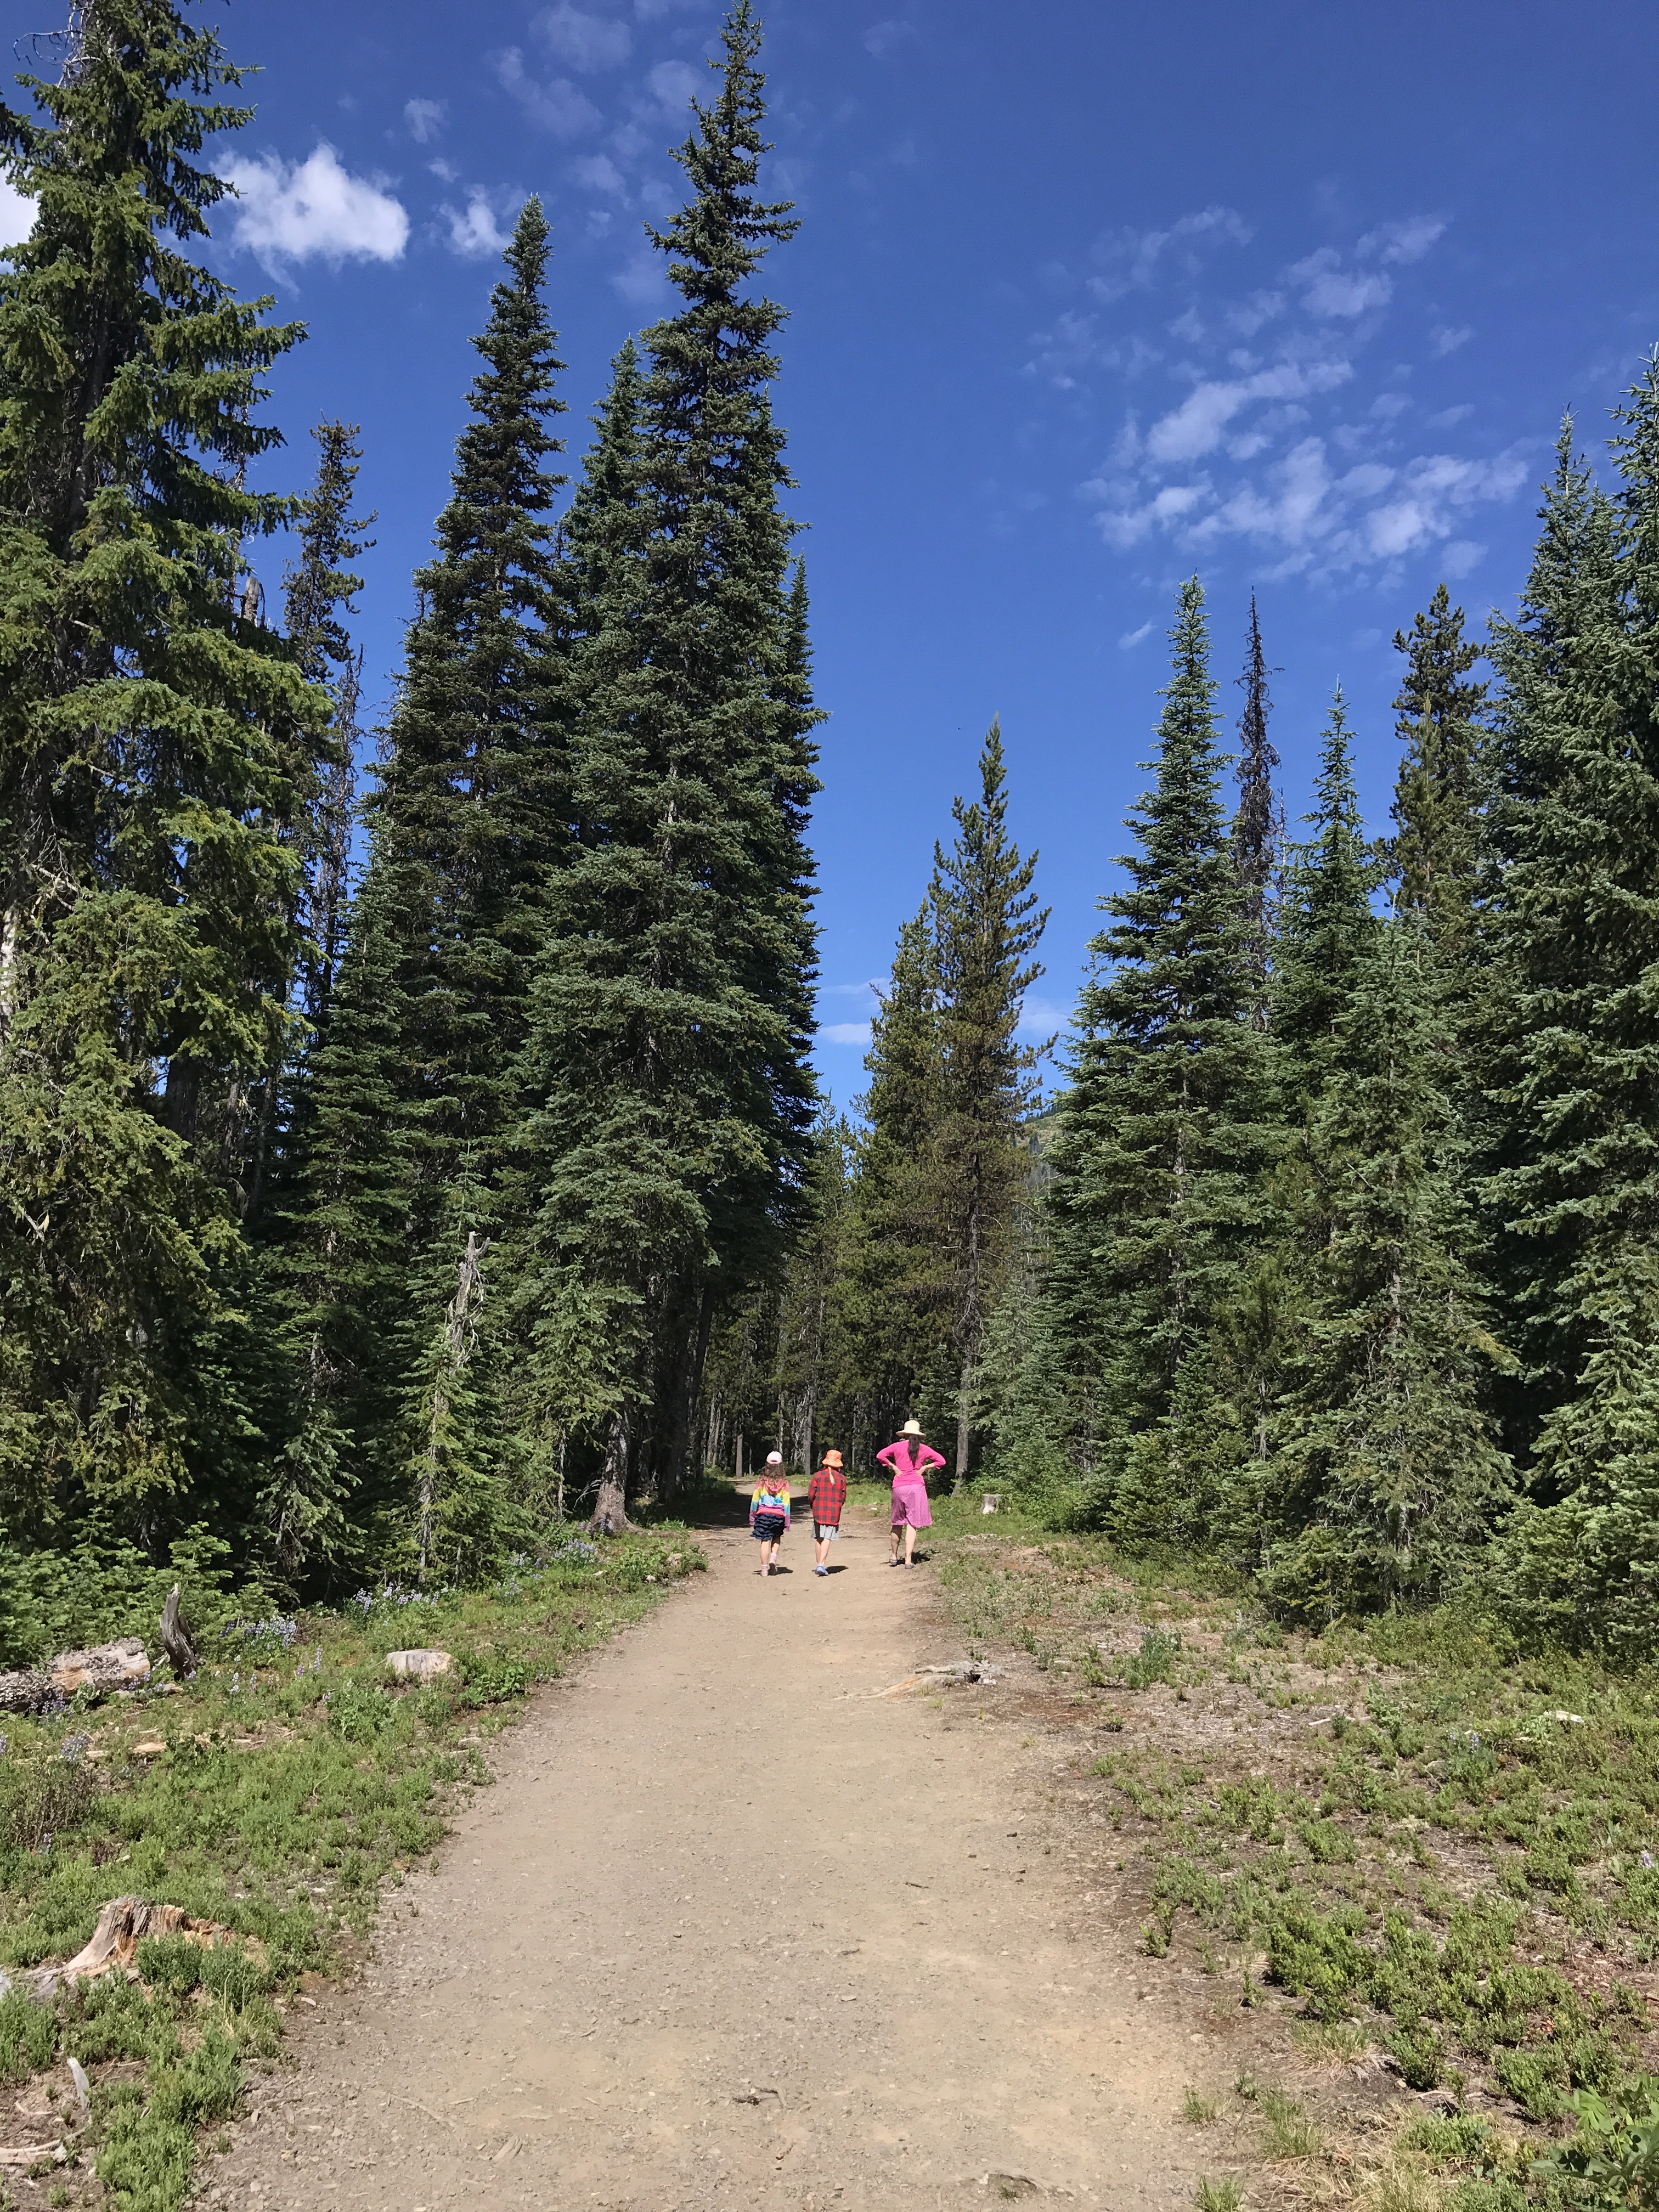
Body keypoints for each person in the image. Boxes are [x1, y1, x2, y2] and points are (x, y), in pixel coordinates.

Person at [877, 1419, 943, 1568]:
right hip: (917, 1488)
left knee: (897, 1523)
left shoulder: (897, 1446)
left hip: (899, 1487)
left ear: (905, 1434)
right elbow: (941, 1461)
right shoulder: (924, 1449)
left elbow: (881, 1455)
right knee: (912, 1523)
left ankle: (894, 1556)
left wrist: (893, 1467)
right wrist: (925, 1468)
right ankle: (908, 1559)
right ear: (919, 1435)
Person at [807, 1449, 847, 1576]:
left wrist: (813, 1505)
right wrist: (838, 1506)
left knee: (819, 1538)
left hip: (818, 1511)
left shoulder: (817, 1476)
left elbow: (811, 1495)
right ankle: (821, 1564)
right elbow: (843, 1497)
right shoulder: (841, 1478)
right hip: (833, 1512)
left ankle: (819, 1563)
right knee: (827, 1538)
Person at [749, 1451, 791, 1575]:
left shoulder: (761, 1481)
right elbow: (787, 1503)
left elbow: (755, 1501)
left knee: (765, 1540)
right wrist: (787, 1521)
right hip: (779, 1516)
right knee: (776, 1537)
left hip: (763, 1515)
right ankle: (773, 1559)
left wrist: (752, 1517)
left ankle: (764, 1569)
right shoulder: (784, 1483)